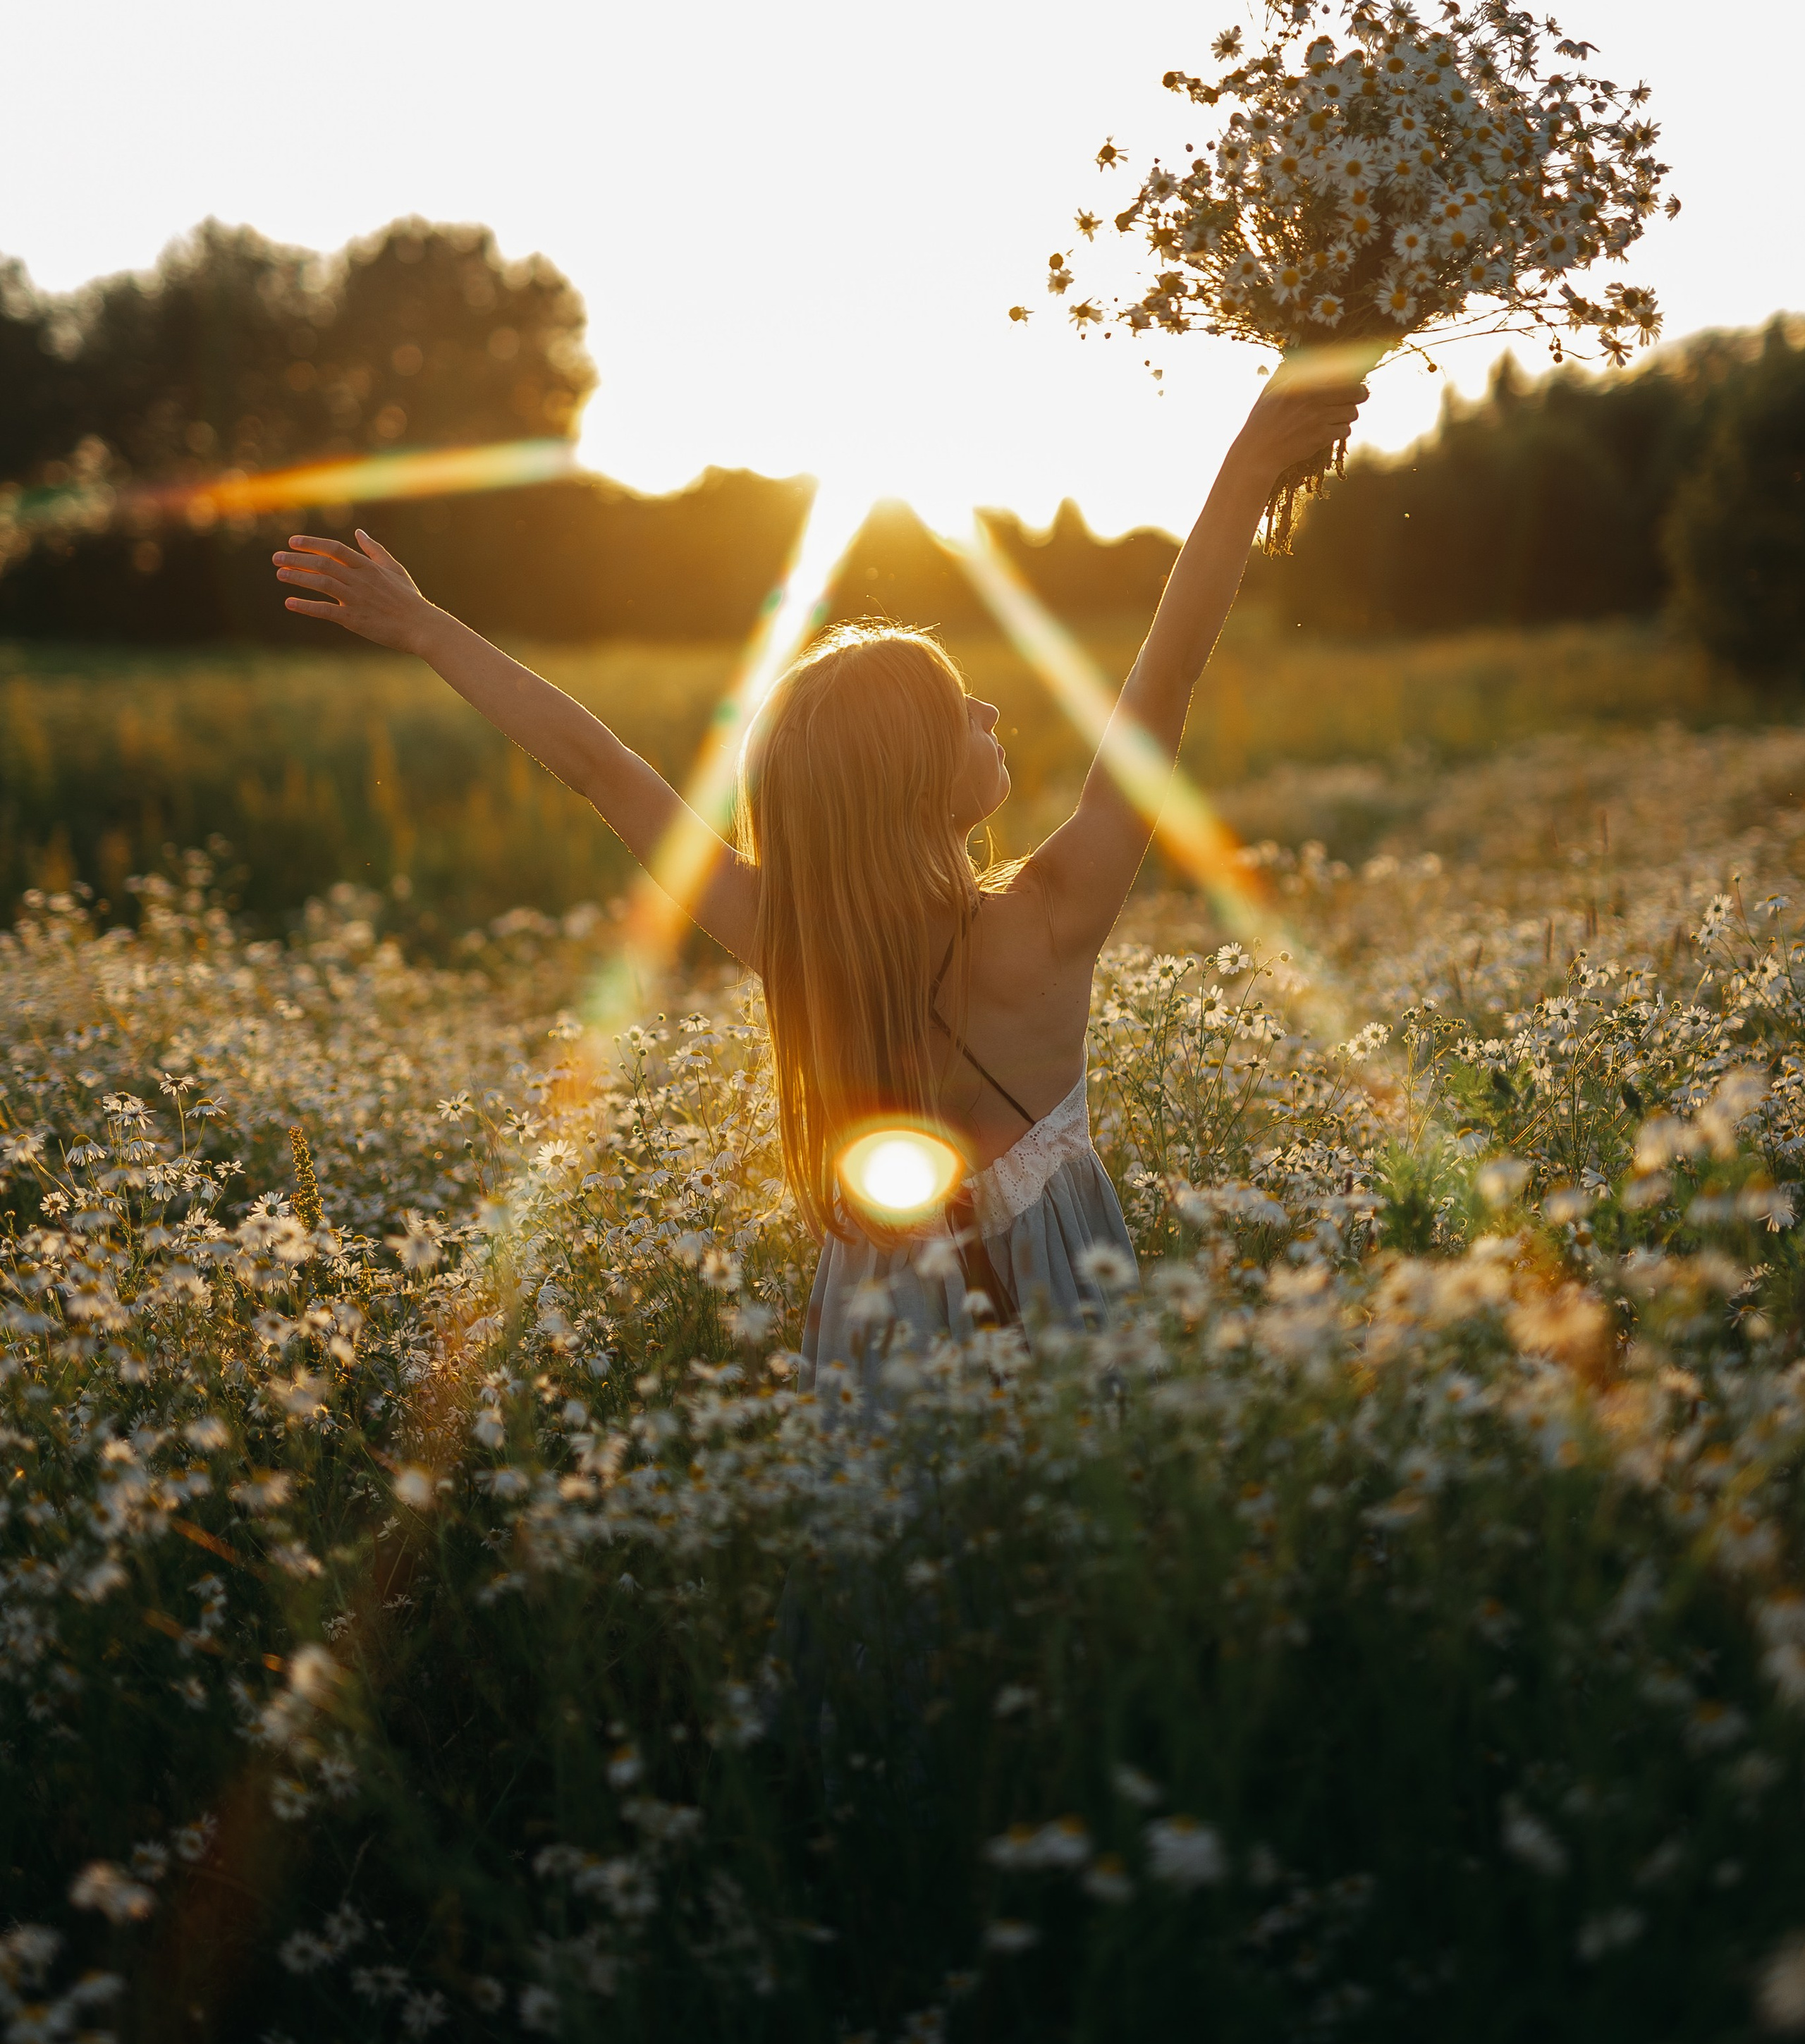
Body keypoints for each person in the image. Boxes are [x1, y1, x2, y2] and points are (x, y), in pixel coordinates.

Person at [270, 369, 1364, 1390]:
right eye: (958, 714)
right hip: (1064, 1307)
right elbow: (1162, 679)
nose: (990, 714)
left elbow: (600, 770)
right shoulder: (1054, 919)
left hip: (884, 1320)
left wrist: (426, 629)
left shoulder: (792, 939)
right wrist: (1247, 466)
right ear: (912, 783)